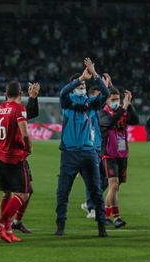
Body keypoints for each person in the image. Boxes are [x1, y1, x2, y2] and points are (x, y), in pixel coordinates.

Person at [55, 57, 109, 237]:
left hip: (88, 153)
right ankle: (60, 225)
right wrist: (80, 79)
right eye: (79, 87)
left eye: (83, 87)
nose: (82, 89)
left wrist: (94, 74)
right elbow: (63, 93)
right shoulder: (67, 103)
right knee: (63, 192)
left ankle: (101, 225)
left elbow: (106, 94)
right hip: (69, 154)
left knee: (96, 192)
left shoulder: (91, 105)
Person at [0, 81, 32, 244]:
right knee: (23, 194)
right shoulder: (19, 109)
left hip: (0, 158)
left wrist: (3, 144)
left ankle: (8, 230)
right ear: (21, 94)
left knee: (7, 193)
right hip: (15, 158)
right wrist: (28, 148)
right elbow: (25, 134)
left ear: (5, 94)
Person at [99, 87, 139, 228]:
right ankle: (105, 216)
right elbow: (110, 122)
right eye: (113, 99)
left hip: (122, 153)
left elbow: (135, 120)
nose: (116, 102)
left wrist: (129, 104)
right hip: (108, 153)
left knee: (115, 188)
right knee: (113, 185)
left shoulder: (122, 111)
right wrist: (124, 107)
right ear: (107, 100)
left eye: (117, 99)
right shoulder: (103, 113)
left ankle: (114, 217)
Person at [11, 82, 41, 234]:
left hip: (19, 156)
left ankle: (16, 221)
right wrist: (32, 97)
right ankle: (3, 223)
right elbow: (27, 112)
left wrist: (33, 98)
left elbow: (31, 113)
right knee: (18, 193)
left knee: (29, 190)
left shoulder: (15, 109)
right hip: (13, 157)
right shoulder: (14, 110)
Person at [81, 83, 109, 219]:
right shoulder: (87, 109)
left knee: (107, 179)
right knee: (93, 178)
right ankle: (91, 207)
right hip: (91, 148)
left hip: (103, 148)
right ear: (91, 96)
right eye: (97, 95)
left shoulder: (102, 110)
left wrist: (106, 85)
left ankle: (89, 202)